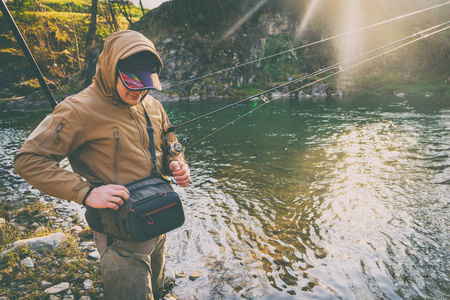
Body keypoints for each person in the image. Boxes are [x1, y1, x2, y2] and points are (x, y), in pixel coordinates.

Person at [14, 30, 190, 300]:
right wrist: (85, 192)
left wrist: (177, 163)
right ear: (111, 69)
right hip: (119, 238)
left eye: (146, 83)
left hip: (158, 223)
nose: (140, 90)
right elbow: (28, 159)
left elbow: (170, 147)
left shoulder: (152, 104)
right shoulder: (77, 109)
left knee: (157, 291)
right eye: (131, 82)